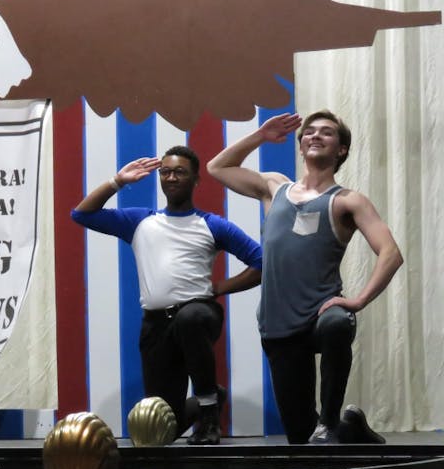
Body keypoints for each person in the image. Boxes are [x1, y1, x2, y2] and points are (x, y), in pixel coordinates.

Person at [207, 110, 403, 444]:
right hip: (278, 322)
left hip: (321, 314)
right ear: (300, 147)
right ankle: (351, 427)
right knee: (300, 438)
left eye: (326, 133)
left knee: (338, 324)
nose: (315, 136)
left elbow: (391, 253)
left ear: (341, 150)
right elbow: (217, 167)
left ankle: (329, 421)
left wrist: (357, 301)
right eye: (309, 132)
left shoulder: (347, 200)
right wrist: (260, 136)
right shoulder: (274, 188)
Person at [71, 146, 263, 444]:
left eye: (180, 172)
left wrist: (220, 287)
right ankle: (208, 400)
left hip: (199, 314)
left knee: (190, 316)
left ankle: (210, 414)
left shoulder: (211, 224)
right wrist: (118, 181)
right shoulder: (140, 222)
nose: (172, 177)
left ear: (196, 180)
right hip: (156, 325)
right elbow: (82, 214)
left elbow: (262, 262)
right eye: (166, 172)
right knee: (162, 429)